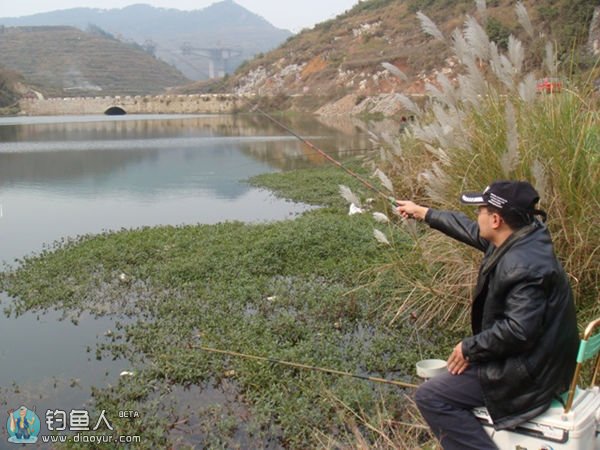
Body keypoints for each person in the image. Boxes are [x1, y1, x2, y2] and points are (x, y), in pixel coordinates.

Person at [396, 180, 579, 450]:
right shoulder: (523, 235)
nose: (476, 216)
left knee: (431, 396)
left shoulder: (525, 266)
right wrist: (423, 212)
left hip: (532, 374)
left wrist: (469, 348)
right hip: (542, 360)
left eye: (480, 210)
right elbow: (470, 230)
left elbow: (518, 331)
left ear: (495, 220)